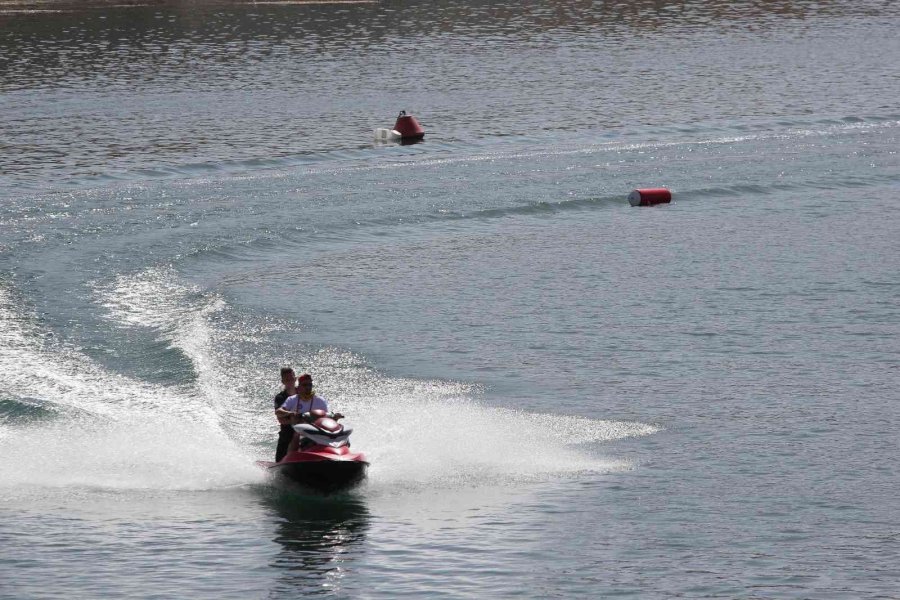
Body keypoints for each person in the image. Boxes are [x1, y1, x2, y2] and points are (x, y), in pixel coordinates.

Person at [272, 367, 296, 462]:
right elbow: (280, 419)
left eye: (292, 379)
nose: (290, 382)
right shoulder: (280, 397)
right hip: (287, 433)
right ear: (283, 381)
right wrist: (294, 420)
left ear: (295, 378)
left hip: (305, 431)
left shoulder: (303, 393)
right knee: (280, 459)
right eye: (287, 380)